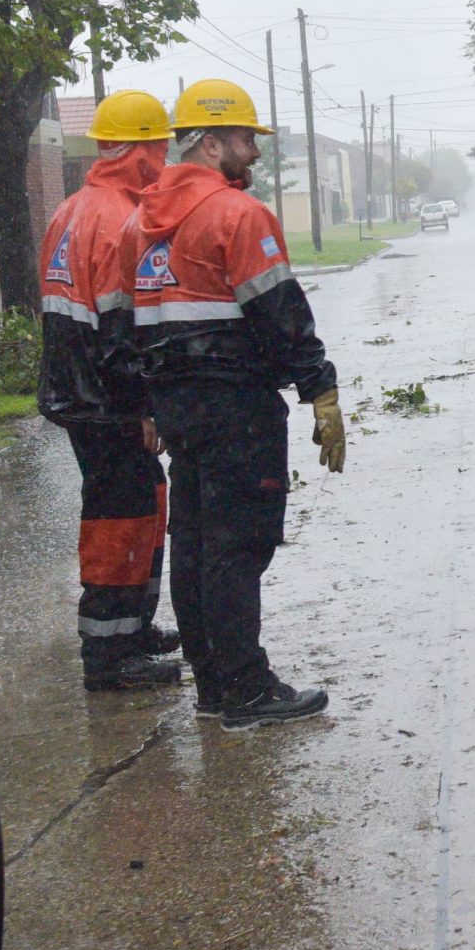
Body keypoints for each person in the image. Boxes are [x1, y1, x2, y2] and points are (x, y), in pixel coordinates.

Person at [124, 78, 345, 729]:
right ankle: (247, 688)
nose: (254, 152)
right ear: (212, 141)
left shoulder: (142, 225)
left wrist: (148, 404)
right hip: (238, 410)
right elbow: (281, 316)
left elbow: (133, 326)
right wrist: (320, 389)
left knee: (194, 544)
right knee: (237, 546)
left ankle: (215, 683)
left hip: (180, 411)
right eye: (247, 139)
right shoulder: (238, 217)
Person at [40, 88, 184, 692]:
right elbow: (122, 327)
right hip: (106, 398)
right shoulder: (123, 219)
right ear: (145, 150)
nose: (166, 157)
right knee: (120, 516)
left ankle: (132, 630)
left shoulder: (70, 209)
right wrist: (142, 405)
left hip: (78, 392)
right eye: (162, 146)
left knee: (142, 497)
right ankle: (110, 653)